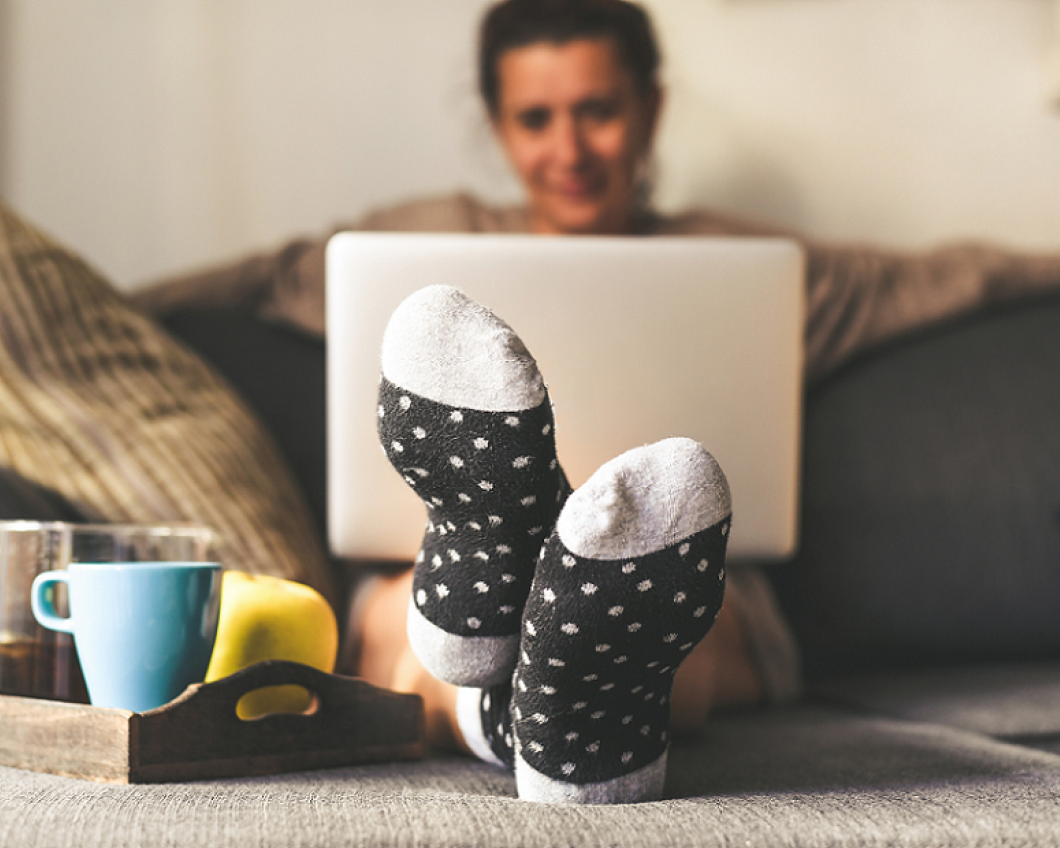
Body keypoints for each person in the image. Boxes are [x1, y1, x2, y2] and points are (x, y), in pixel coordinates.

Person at [130, 0, 1060, 803]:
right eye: (536, 119)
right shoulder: (421, 237)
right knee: (392, 620)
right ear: (497, 126)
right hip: (420, 566)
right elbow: (251, 279)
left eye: (598, 111)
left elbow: (952, 277)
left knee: (683, 619)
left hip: (693, 580)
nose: (568, 149)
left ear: (651, 111)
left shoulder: (747, 266)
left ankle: (527, 678)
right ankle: (548, 697)